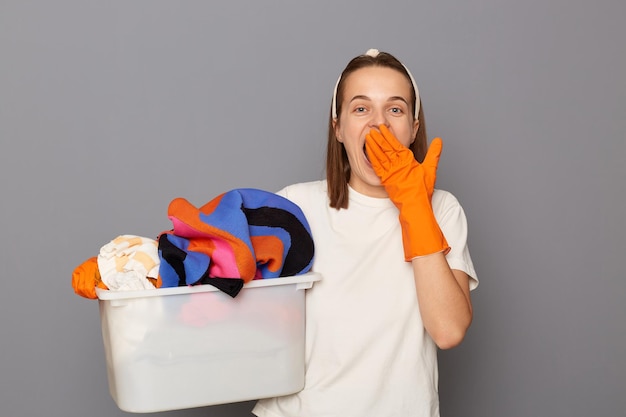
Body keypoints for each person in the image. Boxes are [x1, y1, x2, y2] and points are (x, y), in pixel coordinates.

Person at [252, 49, 478, 417]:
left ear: (414, 128)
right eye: (361, 109)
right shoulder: (296, 206)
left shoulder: (442, 209)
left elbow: (449, 330)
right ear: (338, 127)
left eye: (395, 109)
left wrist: (414, 208)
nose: (379, 125)